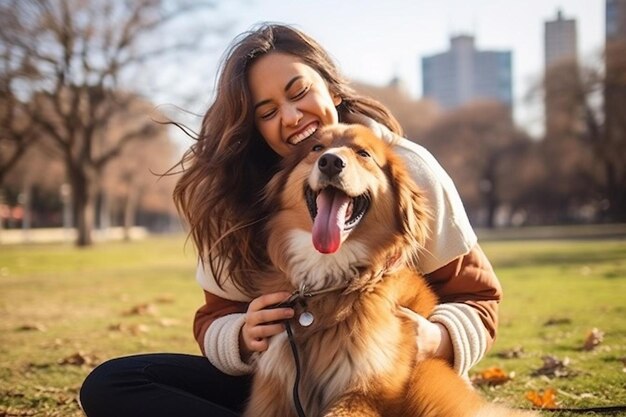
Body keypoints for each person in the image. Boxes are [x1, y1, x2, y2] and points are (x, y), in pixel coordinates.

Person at [80, 23, 502, 417]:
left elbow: (479, 298)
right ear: (254, 126)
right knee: (114, 382)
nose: (292, 116)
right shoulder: (232, 194)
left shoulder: (406, 168)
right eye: (267, 111)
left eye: (299, 91)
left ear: (331, 89)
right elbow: (213, 317)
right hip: (271, 376)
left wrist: (437, 338)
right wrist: (241, 336)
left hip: (396, 387)